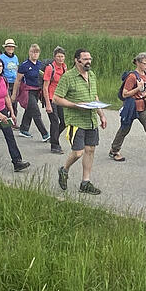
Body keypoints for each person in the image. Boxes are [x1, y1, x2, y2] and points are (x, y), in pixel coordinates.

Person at [52, 48, 108, 195]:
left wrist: (101, 114)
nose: (88, 61)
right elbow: (56, 99)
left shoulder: (92, 75)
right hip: (76, 120)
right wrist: (75, 105)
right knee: (78, 153)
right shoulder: (68, 77)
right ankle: (64, 170)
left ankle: (85, 182)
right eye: (85, 59)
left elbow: (94, 96)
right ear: (77, 60)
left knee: (90, 150)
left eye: (90, 58)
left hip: (91, 120)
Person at [109, 52, 146, 166]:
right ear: (137, 62)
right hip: (132, 107)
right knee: (124, 129)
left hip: (143, 106)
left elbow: (144, 90)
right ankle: (114, 150)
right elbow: (125, 94)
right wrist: (138, 88)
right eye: (144, 63)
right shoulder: (132, 77)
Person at [12, 43, 50, 140]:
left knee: (30, 110)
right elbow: (18, 80)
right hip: (27, 91)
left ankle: (24, 129)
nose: (35, 54)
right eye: (33, 52)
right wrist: (14, 94)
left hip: (37, 90)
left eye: (37, 52)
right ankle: (45, 134)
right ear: (29, 53)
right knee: (36, 112)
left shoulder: (40, 64)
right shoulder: (24, 65)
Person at [42, 46, 68, 154]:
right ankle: (55, 145)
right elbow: (45, 87)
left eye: (62, 56)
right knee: (55, 121)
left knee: (65, 121)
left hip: (60, 97)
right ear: (54, 57)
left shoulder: (64, 67)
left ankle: (53, 137)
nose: (60, 59)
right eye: (58, 56)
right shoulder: (50, 68)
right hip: (51, 98)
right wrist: (47, 104)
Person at [0, 38, 19, 109]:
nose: (11, 48)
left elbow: (16, 69)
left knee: (14, 104)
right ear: (5, 47)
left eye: (12, 47)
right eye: (9, 46)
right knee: (7, 103)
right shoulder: (1, 58)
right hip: (6, 82)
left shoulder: (15, 57)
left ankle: (13, 118)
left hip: (15, 83)